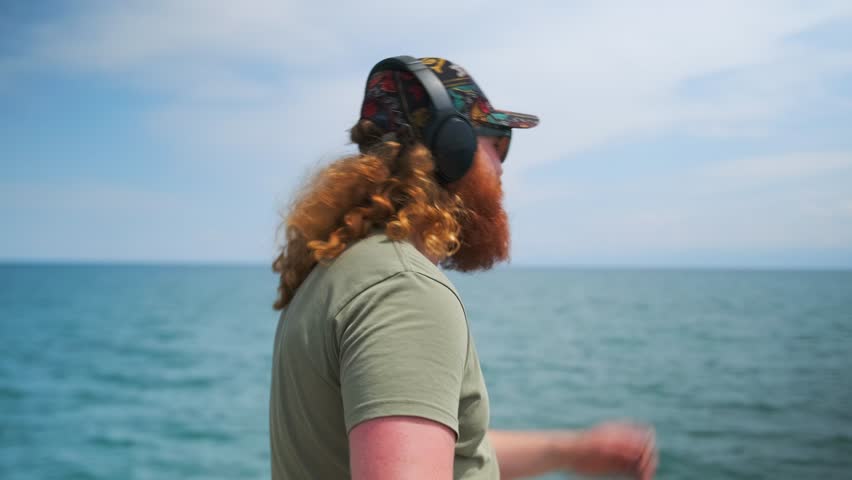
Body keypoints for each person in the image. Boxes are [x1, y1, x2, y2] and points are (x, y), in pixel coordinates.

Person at [269, 56, 658, 480]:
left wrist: (569, 451)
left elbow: (428, 447)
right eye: (498, 142)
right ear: (453, 147)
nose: (502, 165)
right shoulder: (403, 291)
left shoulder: (340, 273)